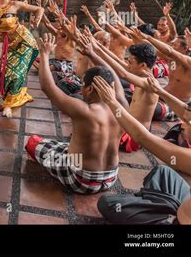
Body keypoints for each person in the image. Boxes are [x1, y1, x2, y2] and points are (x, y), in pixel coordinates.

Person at [25, 33, 127, 194]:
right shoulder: (121, 105)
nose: (80, 88)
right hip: (111, 177)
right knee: (66, 146)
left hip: (82, 180)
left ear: (90, 89)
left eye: (82, 84)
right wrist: (92, 54)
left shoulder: (84, 110)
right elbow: (112, 73)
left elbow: (48, 88)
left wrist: (44, 55)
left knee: (33, 143)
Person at [91, 76, 191, 224]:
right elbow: (184, 110)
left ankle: (149, 208)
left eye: (189, 123)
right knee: (163, 172)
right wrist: (159, 91)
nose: (182, 125)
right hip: (181, 205)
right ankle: (148, 203)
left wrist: (111, 101)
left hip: (174, 221)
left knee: (107, 202)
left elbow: (142, 137)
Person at [90, 38, 159, 152]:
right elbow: (117, 61)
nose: (128, 64)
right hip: (127, 127)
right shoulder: (140, 74)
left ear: (142, 65)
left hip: (134, 137)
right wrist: (98, 48)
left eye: (130, 62)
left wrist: (93, 53)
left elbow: (123, 74)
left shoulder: (150, 83)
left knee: (93, 133)